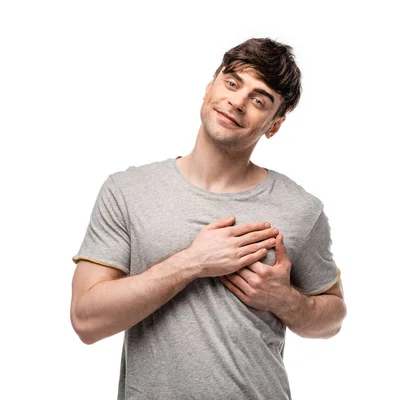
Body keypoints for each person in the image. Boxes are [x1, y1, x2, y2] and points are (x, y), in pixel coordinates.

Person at [69, 37, 346, 399]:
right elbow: (86, 321)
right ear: (209, 86)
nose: (238, 102)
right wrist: (192, 262)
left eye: (259, 100)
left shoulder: (300, 209)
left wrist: (285, 300)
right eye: (232, 83)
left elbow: (333, 317)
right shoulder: (127, 191)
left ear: (274, 125)